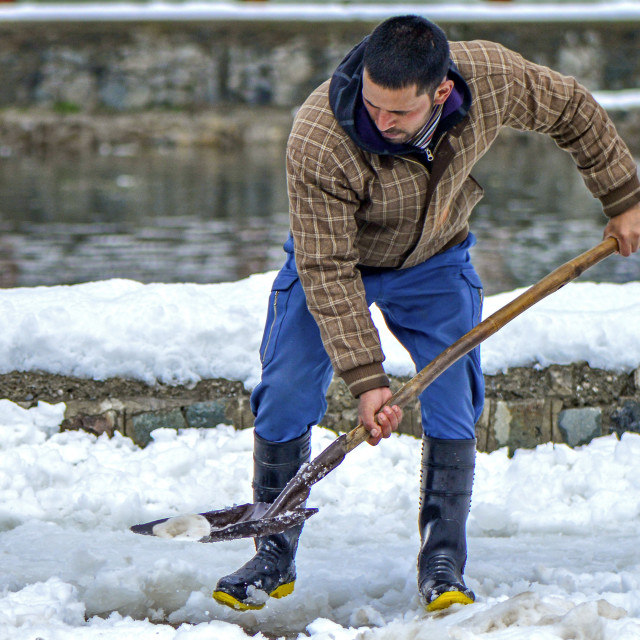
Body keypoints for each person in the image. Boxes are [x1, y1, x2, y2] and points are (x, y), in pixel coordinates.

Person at [213, 15, 640, 613]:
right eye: (373, 105)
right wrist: (367, 379)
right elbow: (328, 267)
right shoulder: (319, 134)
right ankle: (272, 551)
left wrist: (623, 199)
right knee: (284, 387)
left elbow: (571, 108)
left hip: (436, 257)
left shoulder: (491, 77)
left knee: (454, 400)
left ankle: (443, 560)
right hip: (337, 261)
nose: (381, 122)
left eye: (399, 113)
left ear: (440, 92)